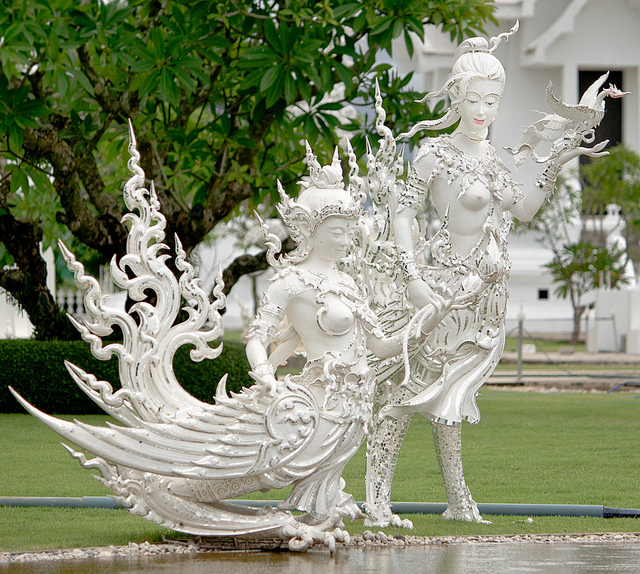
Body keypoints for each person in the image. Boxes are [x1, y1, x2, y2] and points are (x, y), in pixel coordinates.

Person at [365, 25, 608, 526]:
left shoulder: (496, 160)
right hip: (443, 294)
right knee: (407, 396)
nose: (483, 111)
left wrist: (560, 156)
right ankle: (377, 500)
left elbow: (523, 211)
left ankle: (458, 499)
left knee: (449, 401)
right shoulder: (435, 154)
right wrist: (412, 278)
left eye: (493, 101)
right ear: (455, 97)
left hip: (486, 304)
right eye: (474, 99)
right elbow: (404, 216)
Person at [245, 146, 449, 524]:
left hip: (355, 406)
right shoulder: (290, 283)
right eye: (337, 233)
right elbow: (258, 337)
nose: (345, 241)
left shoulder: (348, 283)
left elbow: (381, 346)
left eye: (349, 233)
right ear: (310, 231)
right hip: (321, 404)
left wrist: (428, 320)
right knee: (273, 474)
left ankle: (314, 518)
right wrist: (265, 375)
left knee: (324, 500)